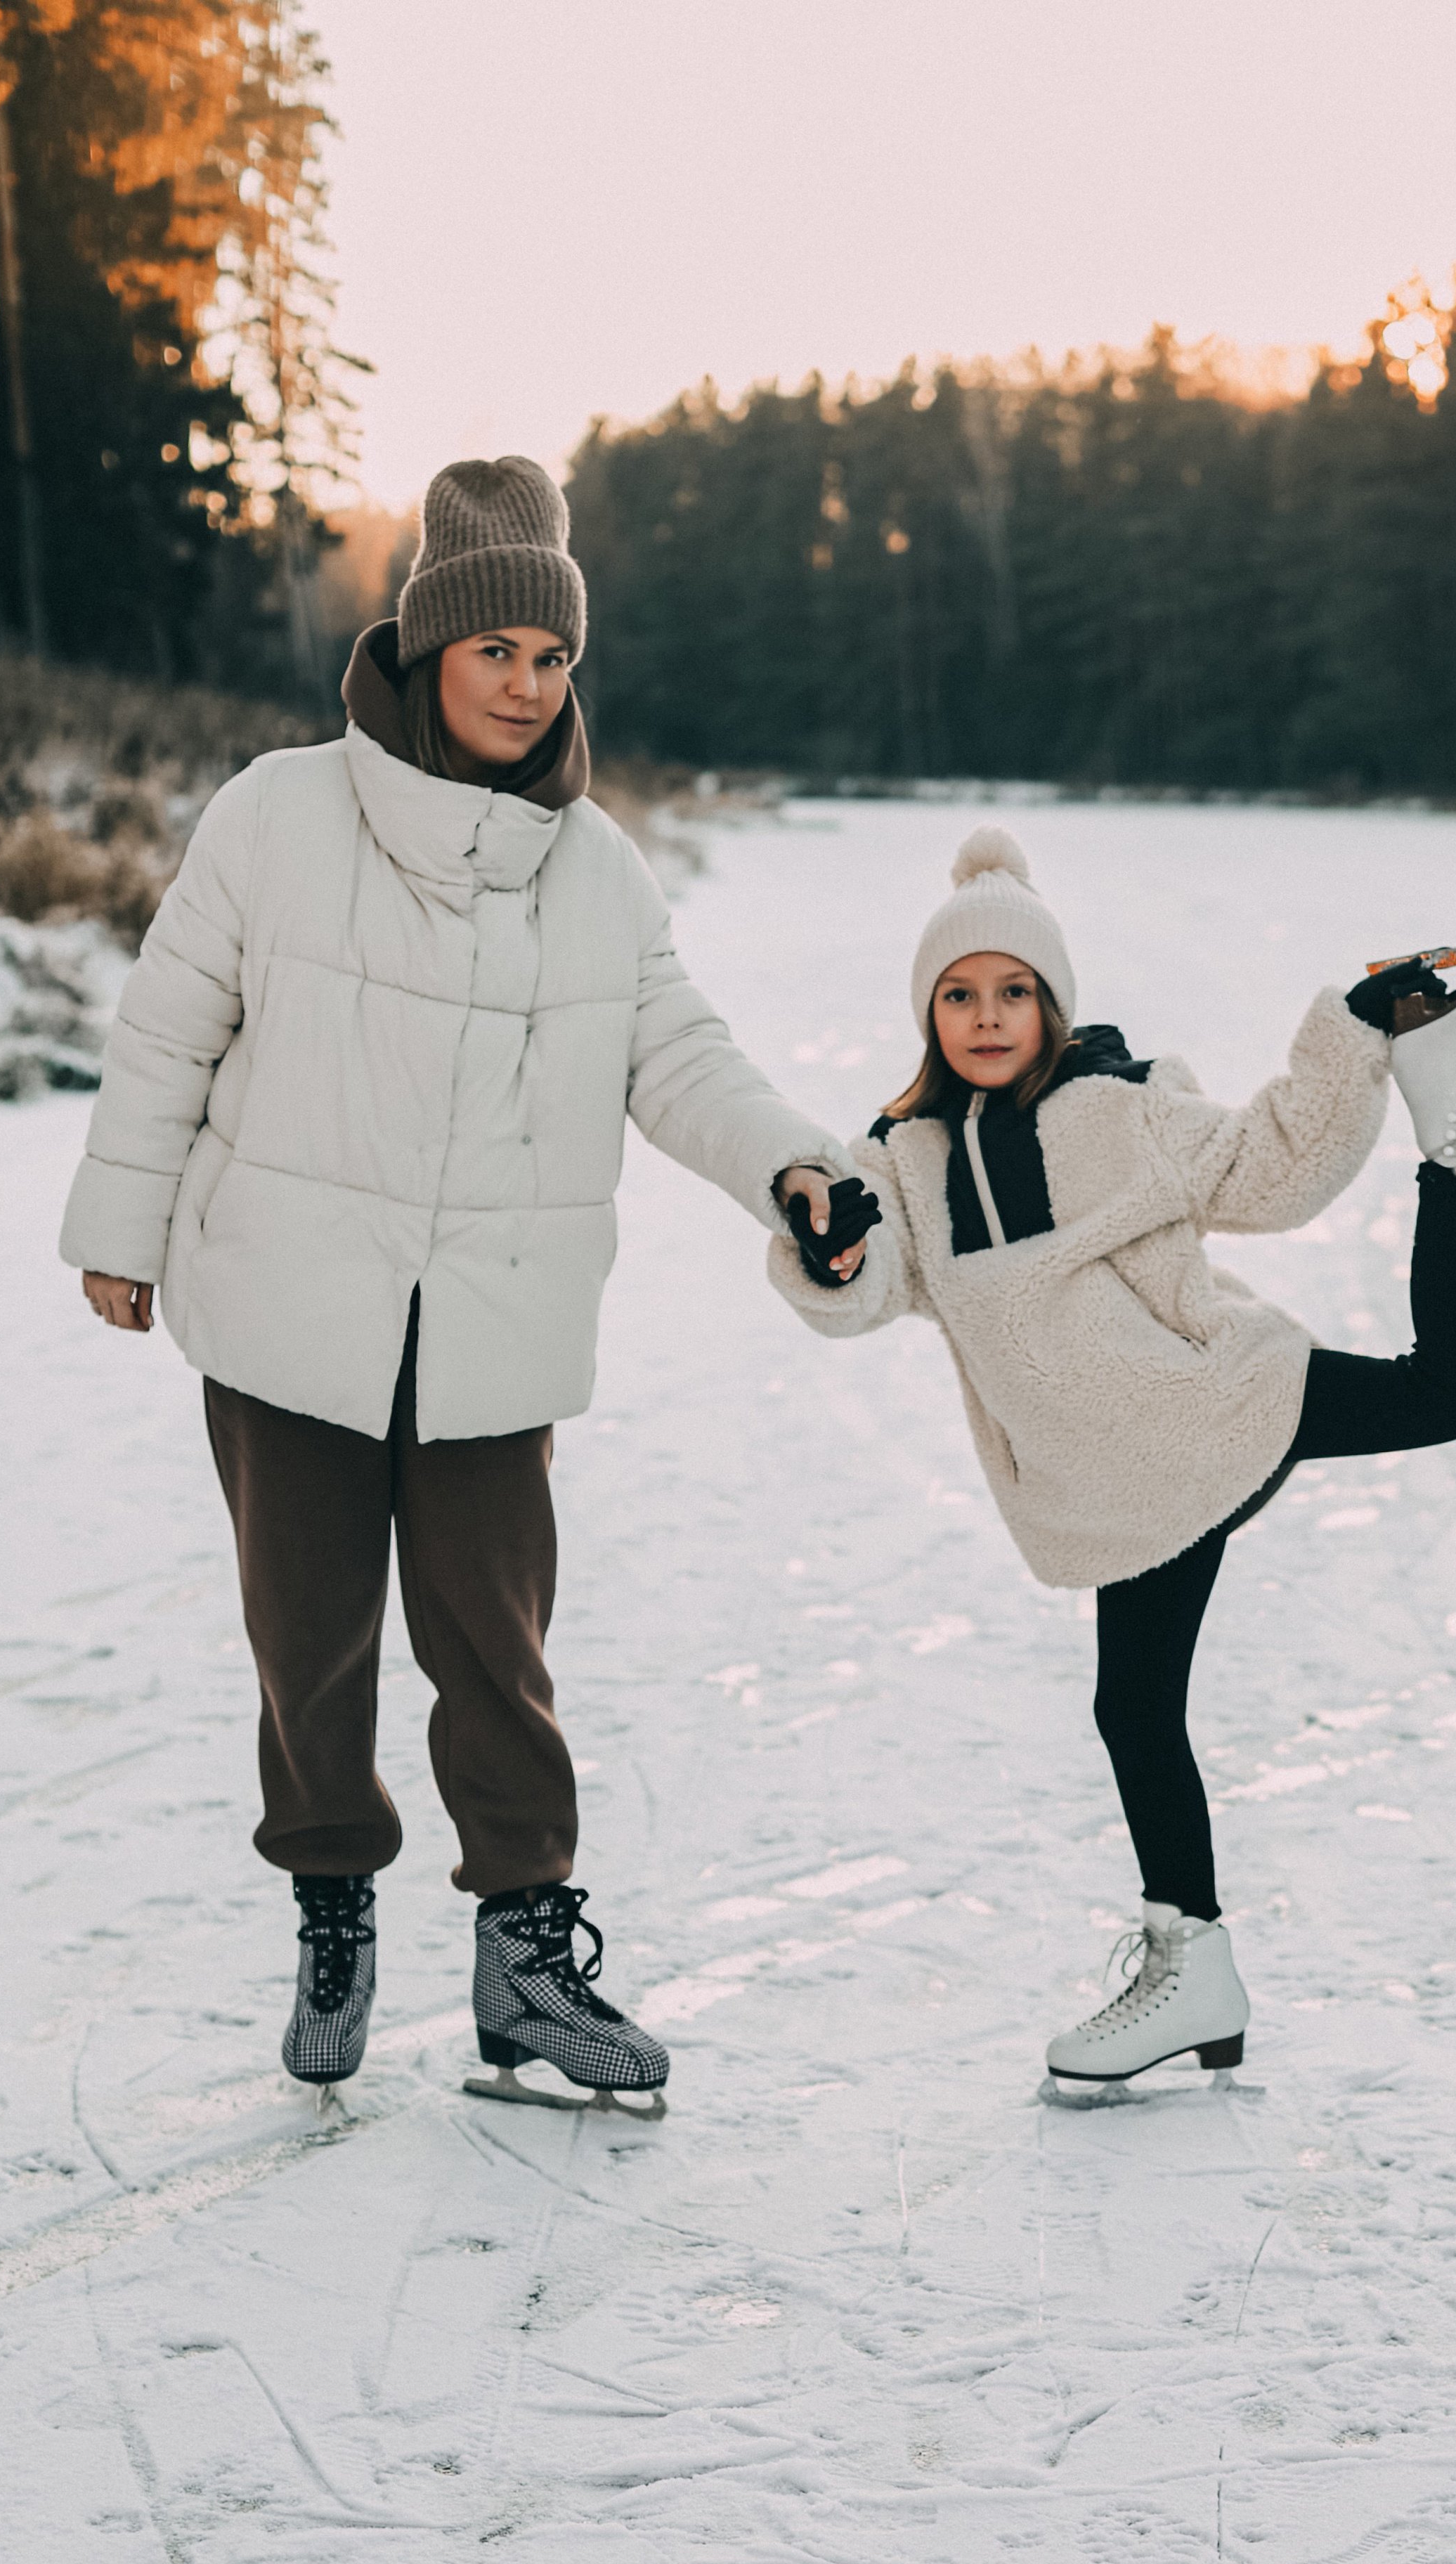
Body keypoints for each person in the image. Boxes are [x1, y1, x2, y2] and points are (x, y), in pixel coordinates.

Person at [61, 455, 866, 2109]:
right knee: (312, 1645)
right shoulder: (279, 814)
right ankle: (333, 1902)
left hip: (492, 1328)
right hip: (288, 1312)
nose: (524, 682)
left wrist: (794, 1164)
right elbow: (168, 1026)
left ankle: (521, 1958)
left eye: (552, 656)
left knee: (495, 1653)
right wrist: (118, 1230)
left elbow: (680, 1055)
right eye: (495, 648)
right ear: (425, 648)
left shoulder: (600, 874)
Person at [770, 826, 1456, 2087]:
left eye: (1014, 992)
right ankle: (1191, 1968)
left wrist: (1354, 1026)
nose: (988, 1017)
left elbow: (1277, 1163)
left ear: (1053, 1004)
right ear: (928, 1013)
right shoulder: (906, 1161)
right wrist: (827, 1249)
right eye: (960, 995)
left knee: (1451, 1391)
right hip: (1118, 1485)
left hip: (1210, 1406)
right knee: (1134, 1707)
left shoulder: (1116, 1107)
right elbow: (865, 1283)